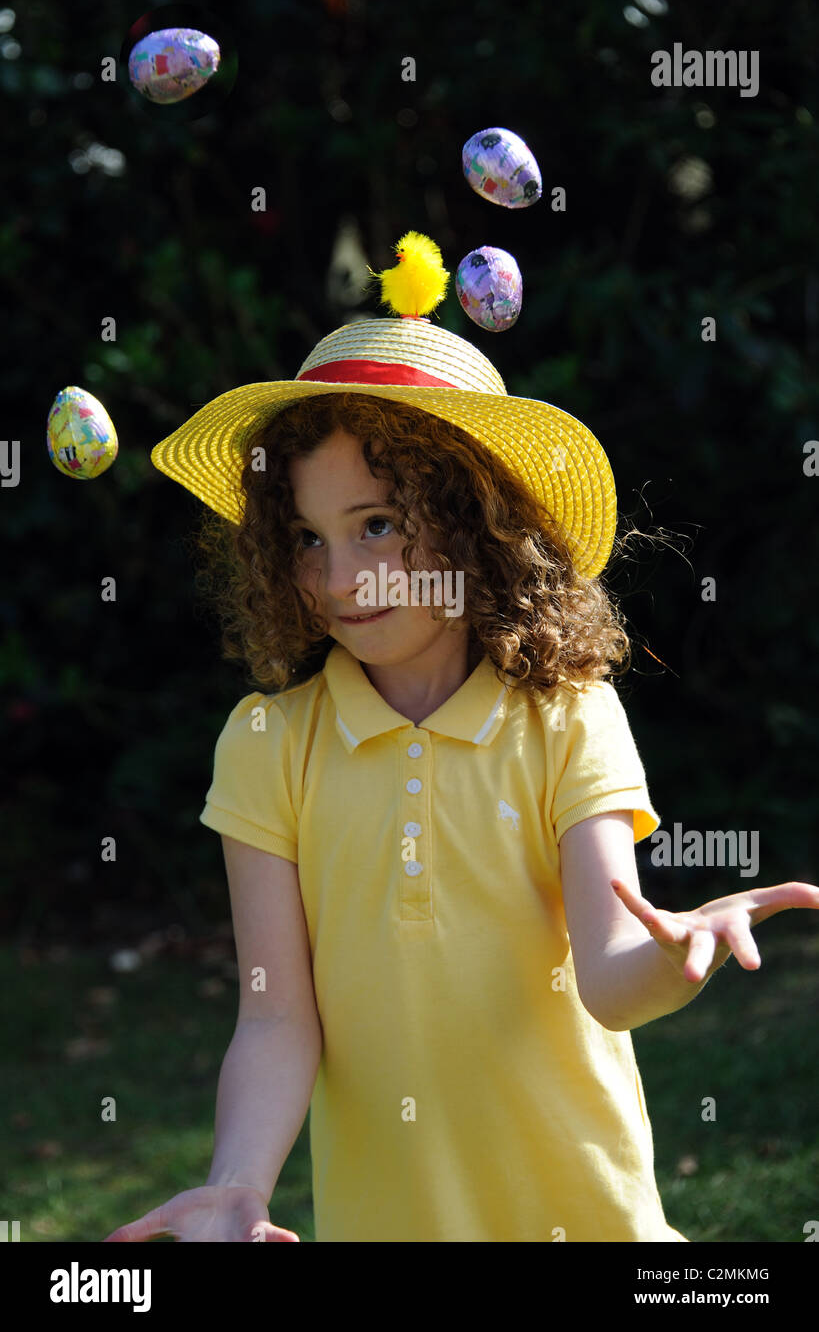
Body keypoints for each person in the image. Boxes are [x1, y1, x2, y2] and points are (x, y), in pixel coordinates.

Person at [104, 242, 819, 1244]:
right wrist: (235, 1184)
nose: (340, 574)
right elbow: (275, 1017)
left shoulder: (567, 715)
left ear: (476, 524)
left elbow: (611, 971)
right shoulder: (267, 743)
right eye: (307, 537)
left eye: (378, 524)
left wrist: (677, 956)